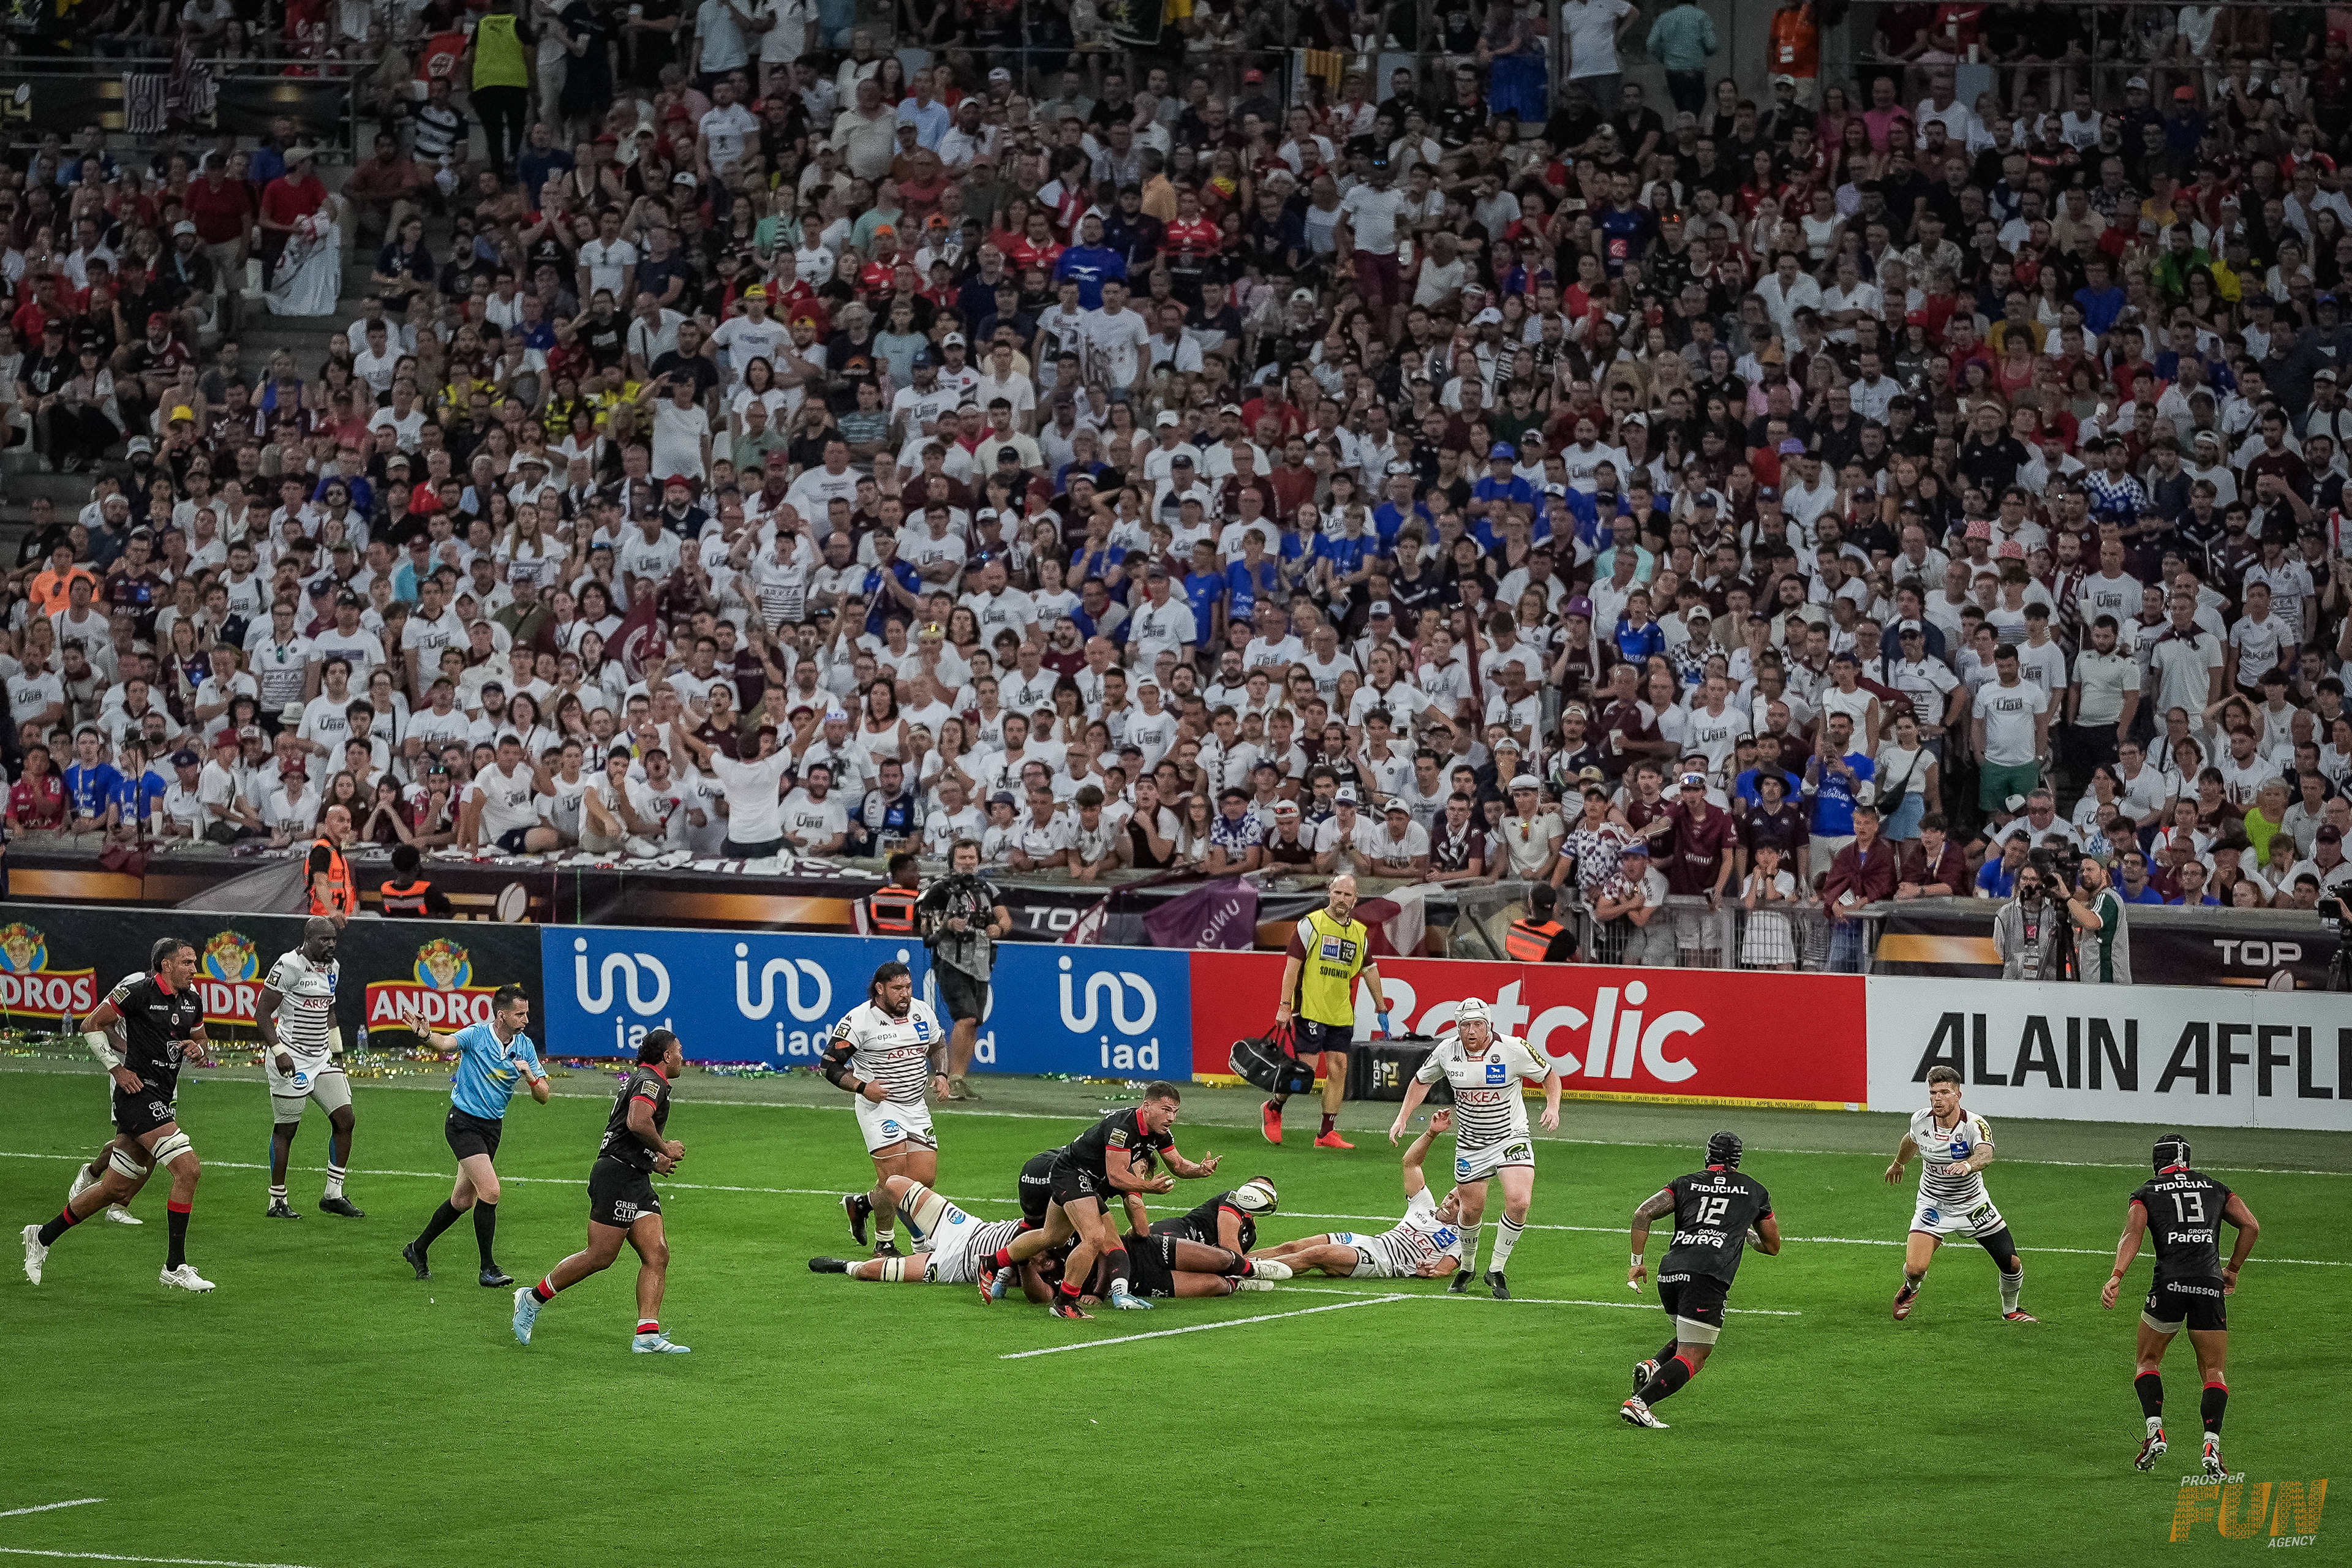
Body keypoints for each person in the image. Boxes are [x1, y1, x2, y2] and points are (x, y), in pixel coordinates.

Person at [22, 938, 216, 1292]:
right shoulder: (137, 992)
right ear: (166, 965)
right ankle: (175, 1265)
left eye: (194, 963)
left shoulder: (192, 1001)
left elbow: (203, 1045)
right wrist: (116, 1069)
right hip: (138, 1095)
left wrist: (198, 1049)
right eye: (187, 963)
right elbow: (91, 1024)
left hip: (163, 1095)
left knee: (114, 1189)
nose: (194, 969)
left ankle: (42, 1236)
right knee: (188, 1169)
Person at [512, 1028, 691, 1354]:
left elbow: (625, 1134)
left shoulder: (645, 1080)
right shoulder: (650, 1082)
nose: (683, 1056)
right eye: (679, 1050)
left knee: (657, 1254)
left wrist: (653, 1161)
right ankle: (532, 1298)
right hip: (617, 1177)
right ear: (666, 1056)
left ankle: (647, 1335)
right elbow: (637, 1123)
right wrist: (664, 1148)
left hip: (634, 1176)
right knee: (600, 1256)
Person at [2100, 1134, 2260, 1477]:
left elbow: (2133, 1234)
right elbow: (2250, 1225)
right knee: (2214, 1371)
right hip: (2209, 1285)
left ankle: (2154, 1429)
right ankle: (2211, 1447)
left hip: (2169, 1285)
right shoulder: (2216, 1188)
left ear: (2157, 1161)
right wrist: (2231, 1270)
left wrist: (2117, 1276)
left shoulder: (2147, 1193)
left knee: (2147, 1360)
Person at [988, 1082, 1219, 1318]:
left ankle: (991, 1264)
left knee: (1052, 1236)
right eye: (1166, 1110)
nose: (1171, 1117)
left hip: (1083, 1179)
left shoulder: (1159, 1133)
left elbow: (1178, 1165)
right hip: (1071, 1173)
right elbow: (1116, 1176)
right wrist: (1149, 1187)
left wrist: (1199, 1169)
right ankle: (1065, 1302)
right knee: (1095, 1238)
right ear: (1147, 1106)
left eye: (1175, 1112)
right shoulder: (1123, 1128)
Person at [1387, 995, 1561, 1297]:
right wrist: (1403, 1117)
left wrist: (1553, 1106)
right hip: (1470, 1143)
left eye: (1477, 1025)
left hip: (1511, 1137)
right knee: (1470, 1211)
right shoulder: (1446, 1051)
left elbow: (1549, 1075)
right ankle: (1467, 1267)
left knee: (1519, 1202)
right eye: (1465, 1025)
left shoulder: (1513, 1048)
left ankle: (1496, 1270)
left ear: (1489, 1025)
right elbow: (1420, 1081)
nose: (1470, 1032)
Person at [1621, 1131, 1781, 1428]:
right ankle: (1640, 1403)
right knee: (1696, 1353)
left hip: (1669, 1274)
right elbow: (1772, 1245)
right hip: (1708, 1276)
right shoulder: (1755, 1191)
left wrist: (1637, 1263)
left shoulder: (1684, 1183)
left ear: (1708, 1155)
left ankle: (1653, 1365)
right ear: (1737, 1159)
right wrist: (1746, 1235)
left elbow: (1643, 1213)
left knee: (1691, 1334)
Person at [400, 984, 549, 1287]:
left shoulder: (525, 1047)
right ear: (501, 1015)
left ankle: (417, 1248)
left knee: (463, 1199)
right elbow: (445, 1044)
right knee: (491, 1191)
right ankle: (488, 1269)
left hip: (492, 1129)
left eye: (527, 1014)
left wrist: (531, 1077)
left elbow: (544, 1096)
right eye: (519, 1014)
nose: (525, 1020)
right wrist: (427, 1035)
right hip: (463, 1123)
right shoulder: (477, 1035)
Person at [1885, 1065, 2035, 1325]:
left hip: (1973, 1206)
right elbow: (1910, 1141)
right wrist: (1898, 1164)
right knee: (1915, 1269)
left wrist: (1967, 1165)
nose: (1937, 1099)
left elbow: (1985, 1155)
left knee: (2012, 1264)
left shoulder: (1974, 1125)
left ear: (1958, 1095)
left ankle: (2010, 1311)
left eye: (1944, 1092)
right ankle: (1911, 1288)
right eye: (1933, 1093)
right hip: (1933, 1204)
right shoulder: (1920, 1120)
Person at [1250, 1109, 1464, 1281]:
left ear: (1468, 1208)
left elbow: (1443, 1270)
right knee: (1293, 1247)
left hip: (1382, 1261)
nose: (1449, 1203)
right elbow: (1411, 1163)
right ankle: (1233, 1262)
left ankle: (1248, 1272)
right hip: (1370, 1242)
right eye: (1450, 1196)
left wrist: (1427, 1269)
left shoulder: (1462, 1238)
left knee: (1317, 1254)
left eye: (1457, 1204)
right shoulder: (1424, 1204)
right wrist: (1432, 1133)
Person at [822, 962, 944, 1259]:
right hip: (879, 1107)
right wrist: (864, 1088)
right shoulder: (859, 1020)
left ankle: (862, 1205)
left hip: (916, 1107)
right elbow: (829, 1065)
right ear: (880, 989)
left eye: (909, 987)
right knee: (893, 1180)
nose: (905, 995)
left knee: (923, 1179)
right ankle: (886, 1244)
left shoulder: (922, 1011)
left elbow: (938, 1044)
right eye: (897, 989)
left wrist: (941, 1074)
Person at [1267, 872, 1389, 1148]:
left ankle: (1325, 1133)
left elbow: (1370, 970)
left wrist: (1381, 1006)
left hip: (1340, 1012)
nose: (1341, 899)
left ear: (1355, 900)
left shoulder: (1359, 933)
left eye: (1347, 895)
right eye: (1337, 893)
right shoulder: (1310, 924)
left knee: (1339, 1068)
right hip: (1309, 1008)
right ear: (1329, 894)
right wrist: (1285, 1006)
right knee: (1306, 1072)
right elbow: (1291, 968)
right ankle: (1274, 1107)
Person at [258, 917, 362, 1220]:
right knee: (287, 1129)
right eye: (324, 939)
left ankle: (333, 1195)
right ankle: (277, 1200)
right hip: (291, 1056)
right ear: (308, 939)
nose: (330, 944)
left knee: (346, 1119)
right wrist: (278, 1051)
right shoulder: (288, 966)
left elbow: (329, 1011)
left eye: (333, 939)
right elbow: (263, 1012)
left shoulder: (334, 968)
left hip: (321, 1057)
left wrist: (339, 1054)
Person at [914, 840, 1010, 1100]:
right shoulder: (939, 889)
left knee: (975, 1022)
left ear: (979, 860)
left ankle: (959, 1078)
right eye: (962, 858)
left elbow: (1005, 918)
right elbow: (924, 927)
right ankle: (949, 1078)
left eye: (972, 857)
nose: (968, 862)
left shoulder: (987, 889)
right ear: (952, 861)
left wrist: (998, 929)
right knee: (966, 1018)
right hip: (950, 961)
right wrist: (947, 924)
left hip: (981, 962)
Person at [2070, 853, 2130, 983]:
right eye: (2082, 870)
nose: (2085, 874)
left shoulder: (2107, 897)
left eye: (2090, 869)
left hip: (2108, 982)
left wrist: (2066, 896)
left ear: (2103, 873)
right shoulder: (2095, 901)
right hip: (2096, 984)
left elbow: (2091, 922)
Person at [307, 803, 358, 925]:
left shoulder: (336, 852)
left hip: (339, 919)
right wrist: (332, 912)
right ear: (327, 822)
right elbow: (320, 884)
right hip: (323, 920)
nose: (346, 826)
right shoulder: (321, 851)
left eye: (348, 821)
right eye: (341, 820)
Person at [1504, 880, 1579, 962]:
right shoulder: (1563, 937)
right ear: (1555, 906)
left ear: (1531, 903)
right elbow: (1576, 962)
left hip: (1518, 974)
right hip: (1547, 974)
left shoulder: (1515, 928)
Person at [379, 842, 452, 916]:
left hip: (395, 928)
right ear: (417, 867)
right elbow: (447, 910)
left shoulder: (385, 889)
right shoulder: (427, 889)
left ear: (394, 868)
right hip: (421, 928)